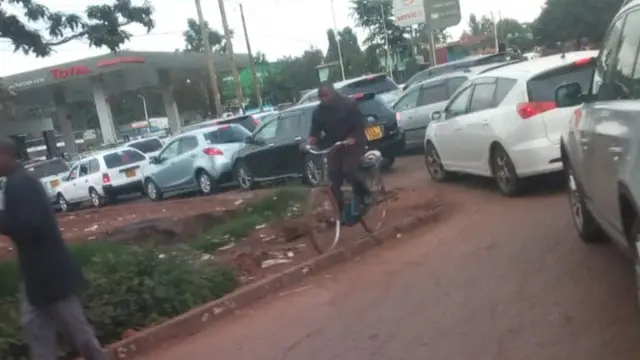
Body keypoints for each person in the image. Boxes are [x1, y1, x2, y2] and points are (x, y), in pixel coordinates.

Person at [0, 138, 106, 360]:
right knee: (38, 332)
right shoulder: (17, 181)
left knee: (79, 334)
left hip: (50, 275)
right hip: (36, 277)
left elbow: (31, 228)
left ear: (5, 156)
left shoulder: (21, 184)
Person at [306, 82, 371, 219]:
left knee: (348, 169)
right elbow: (315, 131)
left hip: (353, 144)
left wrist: (352, 137)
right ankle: (340, 212)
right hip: (335, 145)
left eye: (325, 96)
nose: (323, 99)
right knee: (333, 177)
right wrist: (310, 141)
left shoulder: (348, 105)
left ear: (333, 94)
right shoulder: (318, 112)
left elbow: (360, 124)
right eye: (320, 96)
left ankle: (365, 194)